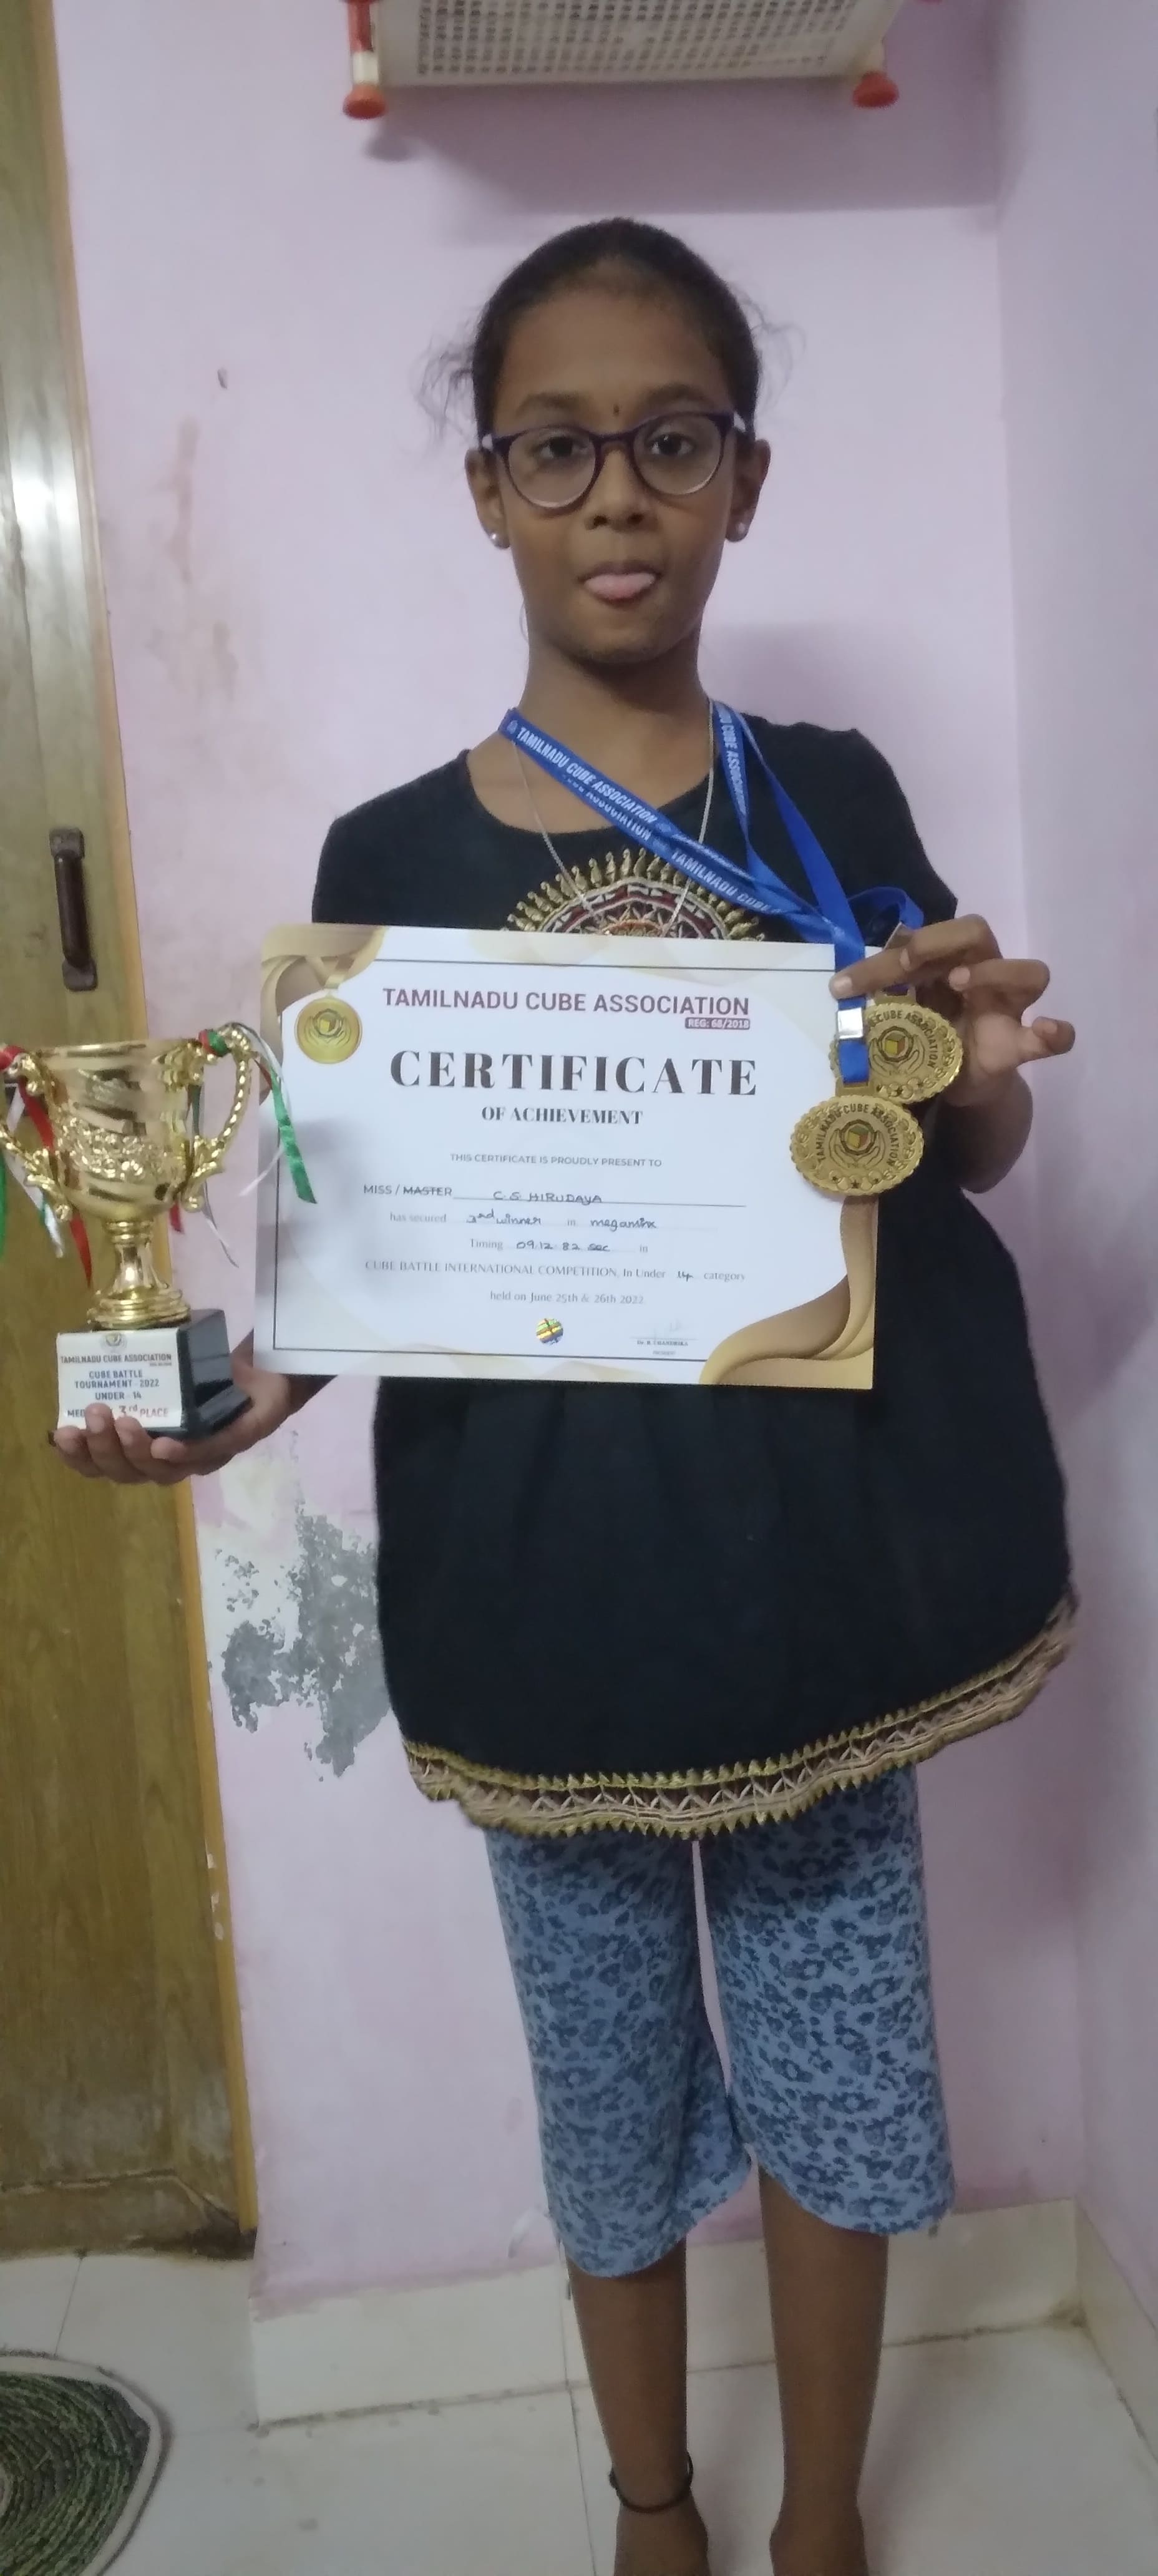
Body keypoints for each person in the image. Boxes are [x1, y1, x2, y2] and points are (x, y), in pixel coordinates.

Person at [57, 220, 1075, 2576]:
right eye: (557, 446)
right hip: (552, 1584)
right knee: (607, 2095)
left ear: (744, 482)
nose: (617, 493)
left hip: (826, 1570)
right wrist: (218, 1398)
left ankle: (824, 2525)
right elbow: (374, 1247)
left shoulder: (832, 796)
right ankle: (652, 2508)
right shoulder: (392, 860)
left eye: (672, 440)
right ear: (489, 491)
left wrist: (972, 1071)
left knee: (839, 2072)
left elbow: (963, 1143)